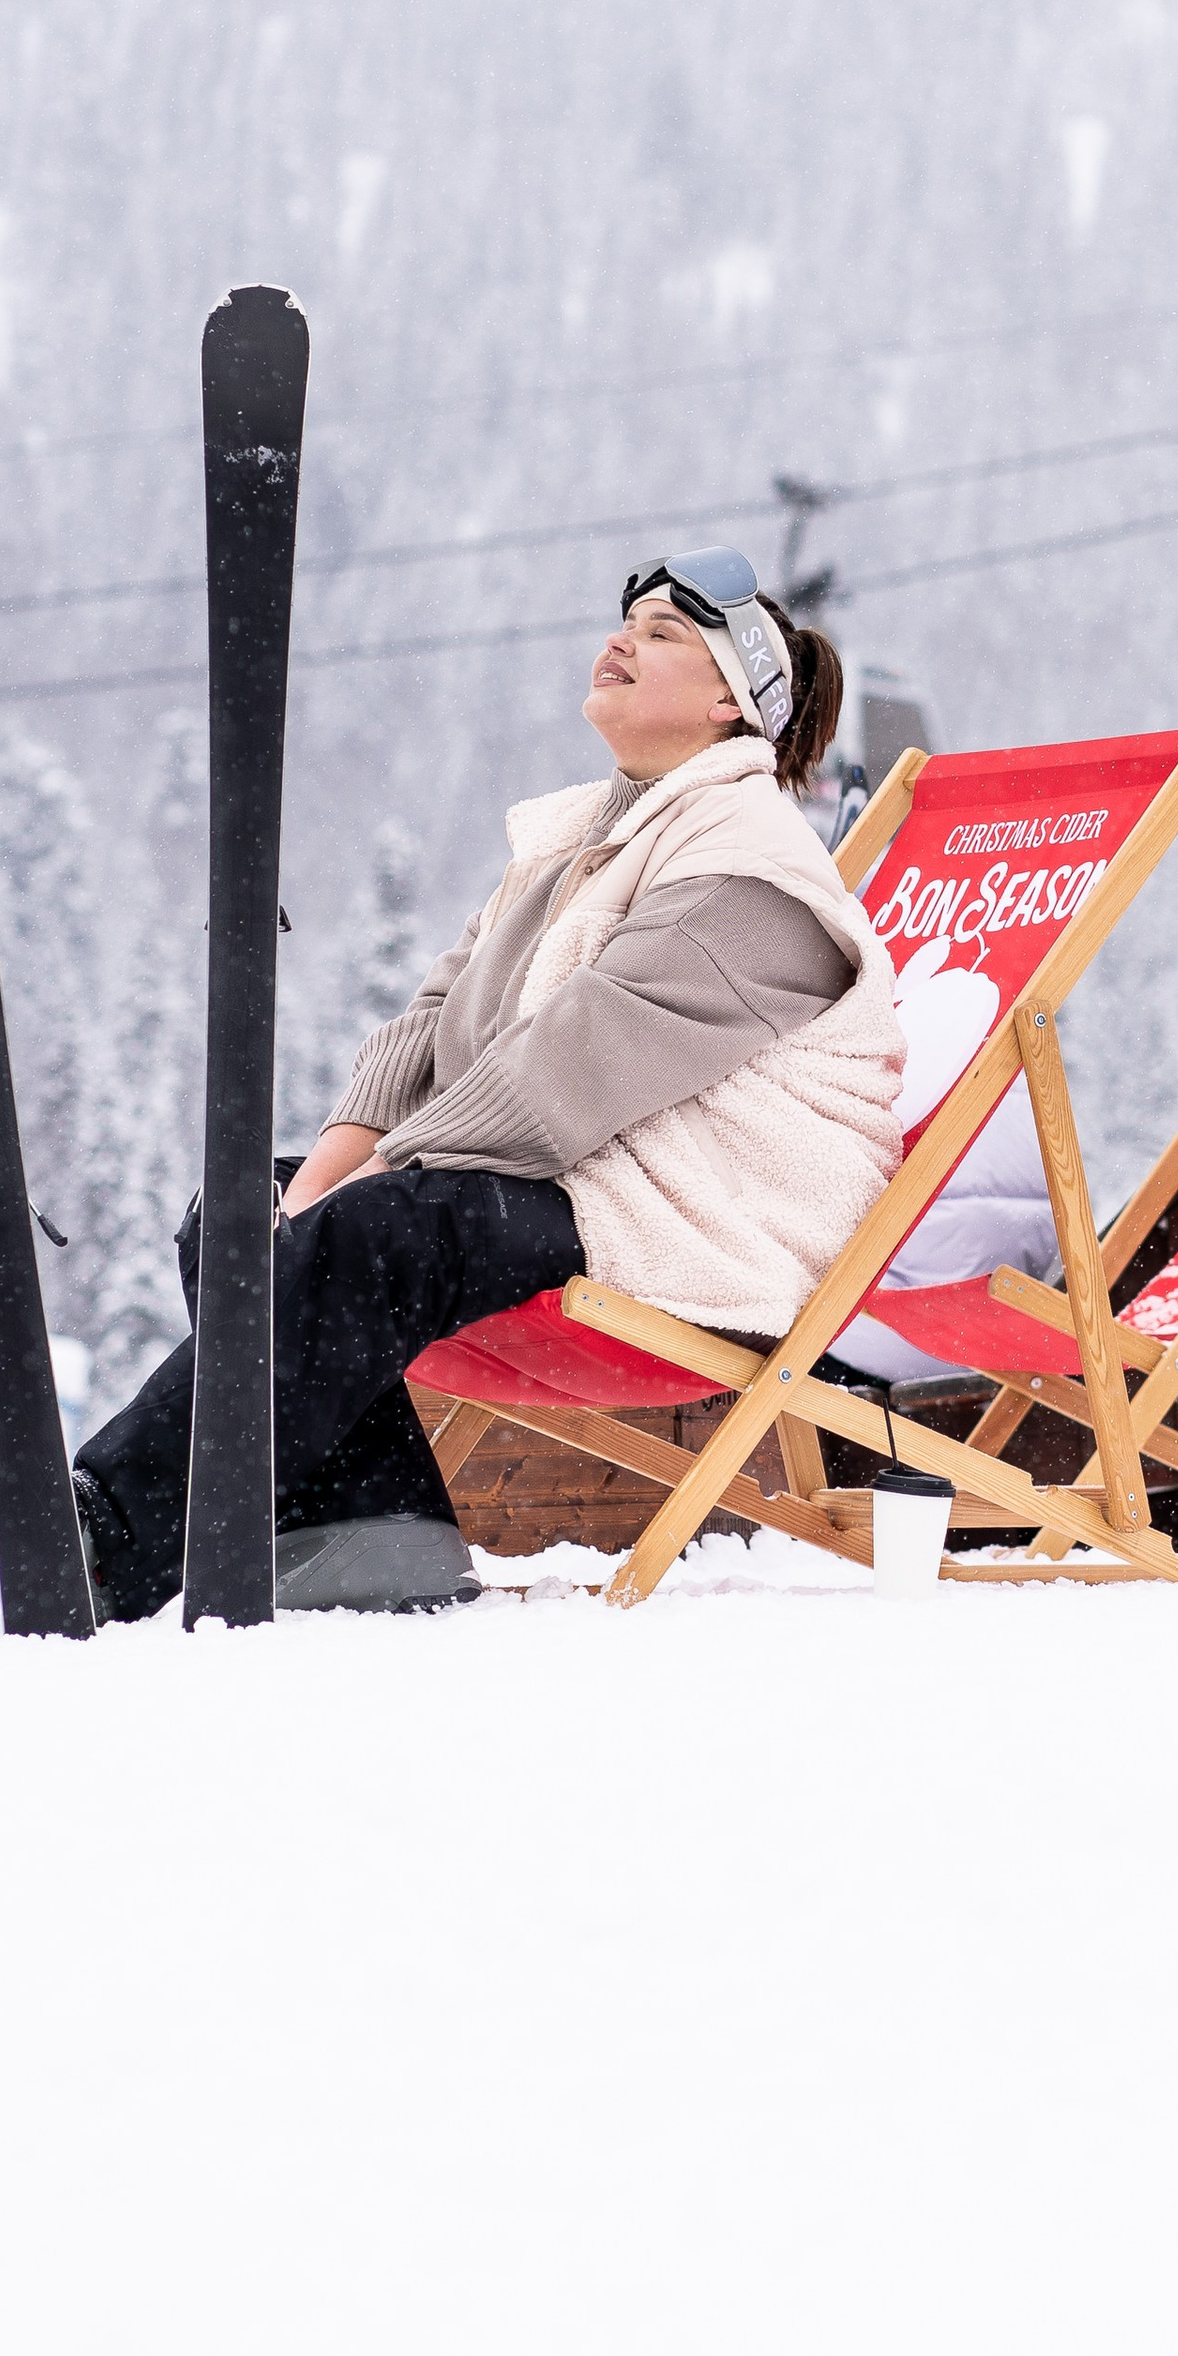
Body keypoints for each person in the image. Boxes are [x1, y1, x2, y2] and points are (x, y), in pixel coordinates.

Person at [66, 550, 908, 1617]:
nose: (620, 640)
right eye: (627, 621)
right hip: (588, 1185)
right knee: (241, 1215)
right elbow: (431, 1022)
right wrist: (318, 1181)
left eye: (661, 637)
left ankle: (109, 1527)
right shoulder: (579, 840)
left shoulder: (751, 867)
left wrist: (354, 1192)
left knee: (382, 1228)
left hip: (707, 1232)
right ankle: (368, 1528)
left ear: (728, 708)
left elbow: (565, 1071)